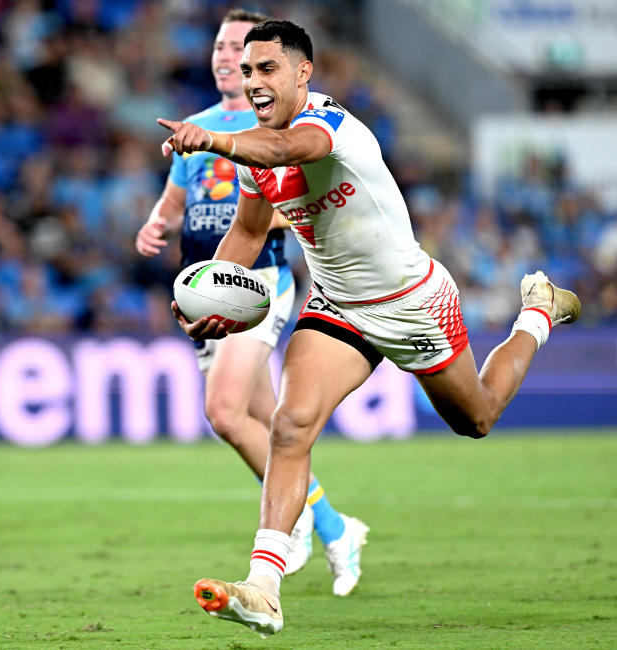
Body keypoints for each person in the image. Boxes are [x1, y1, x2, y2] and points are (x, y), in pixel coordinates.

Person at [158, 19, 580, 637]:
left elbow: (279, 151)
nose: (253, 82)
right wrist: (204, 291)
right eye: (247, 71)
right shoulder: (256, 150)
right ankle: (265, 586)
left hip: (412, 302)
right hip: (336, 307)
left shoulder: (331, 129)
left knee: (479, 417)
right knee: (290, 423)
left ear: (304, 72)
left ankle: (537, 310)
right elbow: (249, 231)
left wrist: (213, 143)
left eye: (267, 68)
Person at [136, 9, 368, 594]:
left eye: (239, 48)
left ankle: (285, 533)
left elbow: (277, 196)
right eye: (221, 47)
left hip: (255, 284)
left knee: (223, 412)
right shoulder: (195, 123)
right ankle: (336, 528)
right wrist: (157, 223)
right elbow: (175, 195)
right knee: (270, 425)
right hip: (212, 283)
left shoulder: (277, 129)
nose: (224, 57)